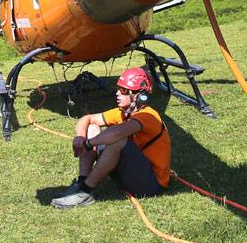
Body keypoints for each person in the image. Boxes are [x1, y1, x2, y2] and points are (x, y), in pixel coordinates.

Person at [51, 67, 171, 209]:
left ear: (139, 96)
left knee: (117, 140)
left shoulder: (147, 116)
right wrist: (80, 137)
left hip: (150, 184)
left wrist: (88, 144)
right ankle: (82, 183)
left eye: (124, 91)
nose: (117, 93)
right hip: (131, 173)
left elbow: (116, 134)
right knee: (92, 128)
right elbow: (87, 118)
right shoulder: (123, 112)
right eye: (118, 88)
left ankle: (86, 192)